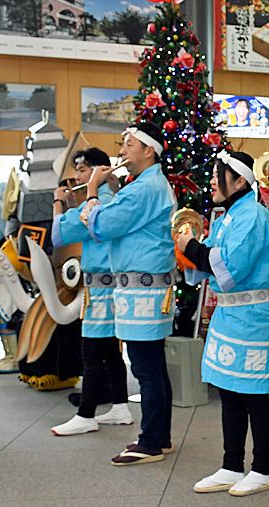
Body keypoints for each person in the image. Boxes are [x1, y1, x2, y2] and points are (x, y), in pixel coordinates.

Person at [179, 150, 269, 497]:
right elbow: (207, 262)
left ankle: (263, 468)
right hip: (228, 314)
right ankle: (231, 464)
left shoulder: (252, 215)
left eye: (217, 174)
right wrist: (189, 250)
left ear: (239, 180)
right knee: (229, 393)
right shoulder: (227, 216)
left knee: (254, 395)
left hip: (252, 314)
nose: (211, 181)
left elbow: (229, 268)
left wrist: (191, 247)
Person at [81, 123, 176, 466]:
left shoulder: (144, 188)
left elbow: (103, 225)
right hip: (148, 289)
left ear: (148, 150)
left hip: (143, 293)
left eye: (128, 144)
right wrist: (113, 187)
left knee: (146, 368)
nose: (121, 152)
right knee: (153, 366)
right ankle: (159, 436)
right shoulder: (147, 185)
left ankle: (151, 441)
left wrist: (93, 192)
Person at [50, 147, 133, 435]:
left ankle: (86, 414)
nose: (77, 176)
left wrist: (59, 204)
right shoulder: (110, 199)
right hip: (106, 284)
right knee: (109, 349)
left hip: (102, 287)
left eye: (83, 170)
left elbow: (60, 234)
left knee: (92, 349)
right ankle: (120, 406)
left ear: (100, 171)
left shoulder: (100, 202)